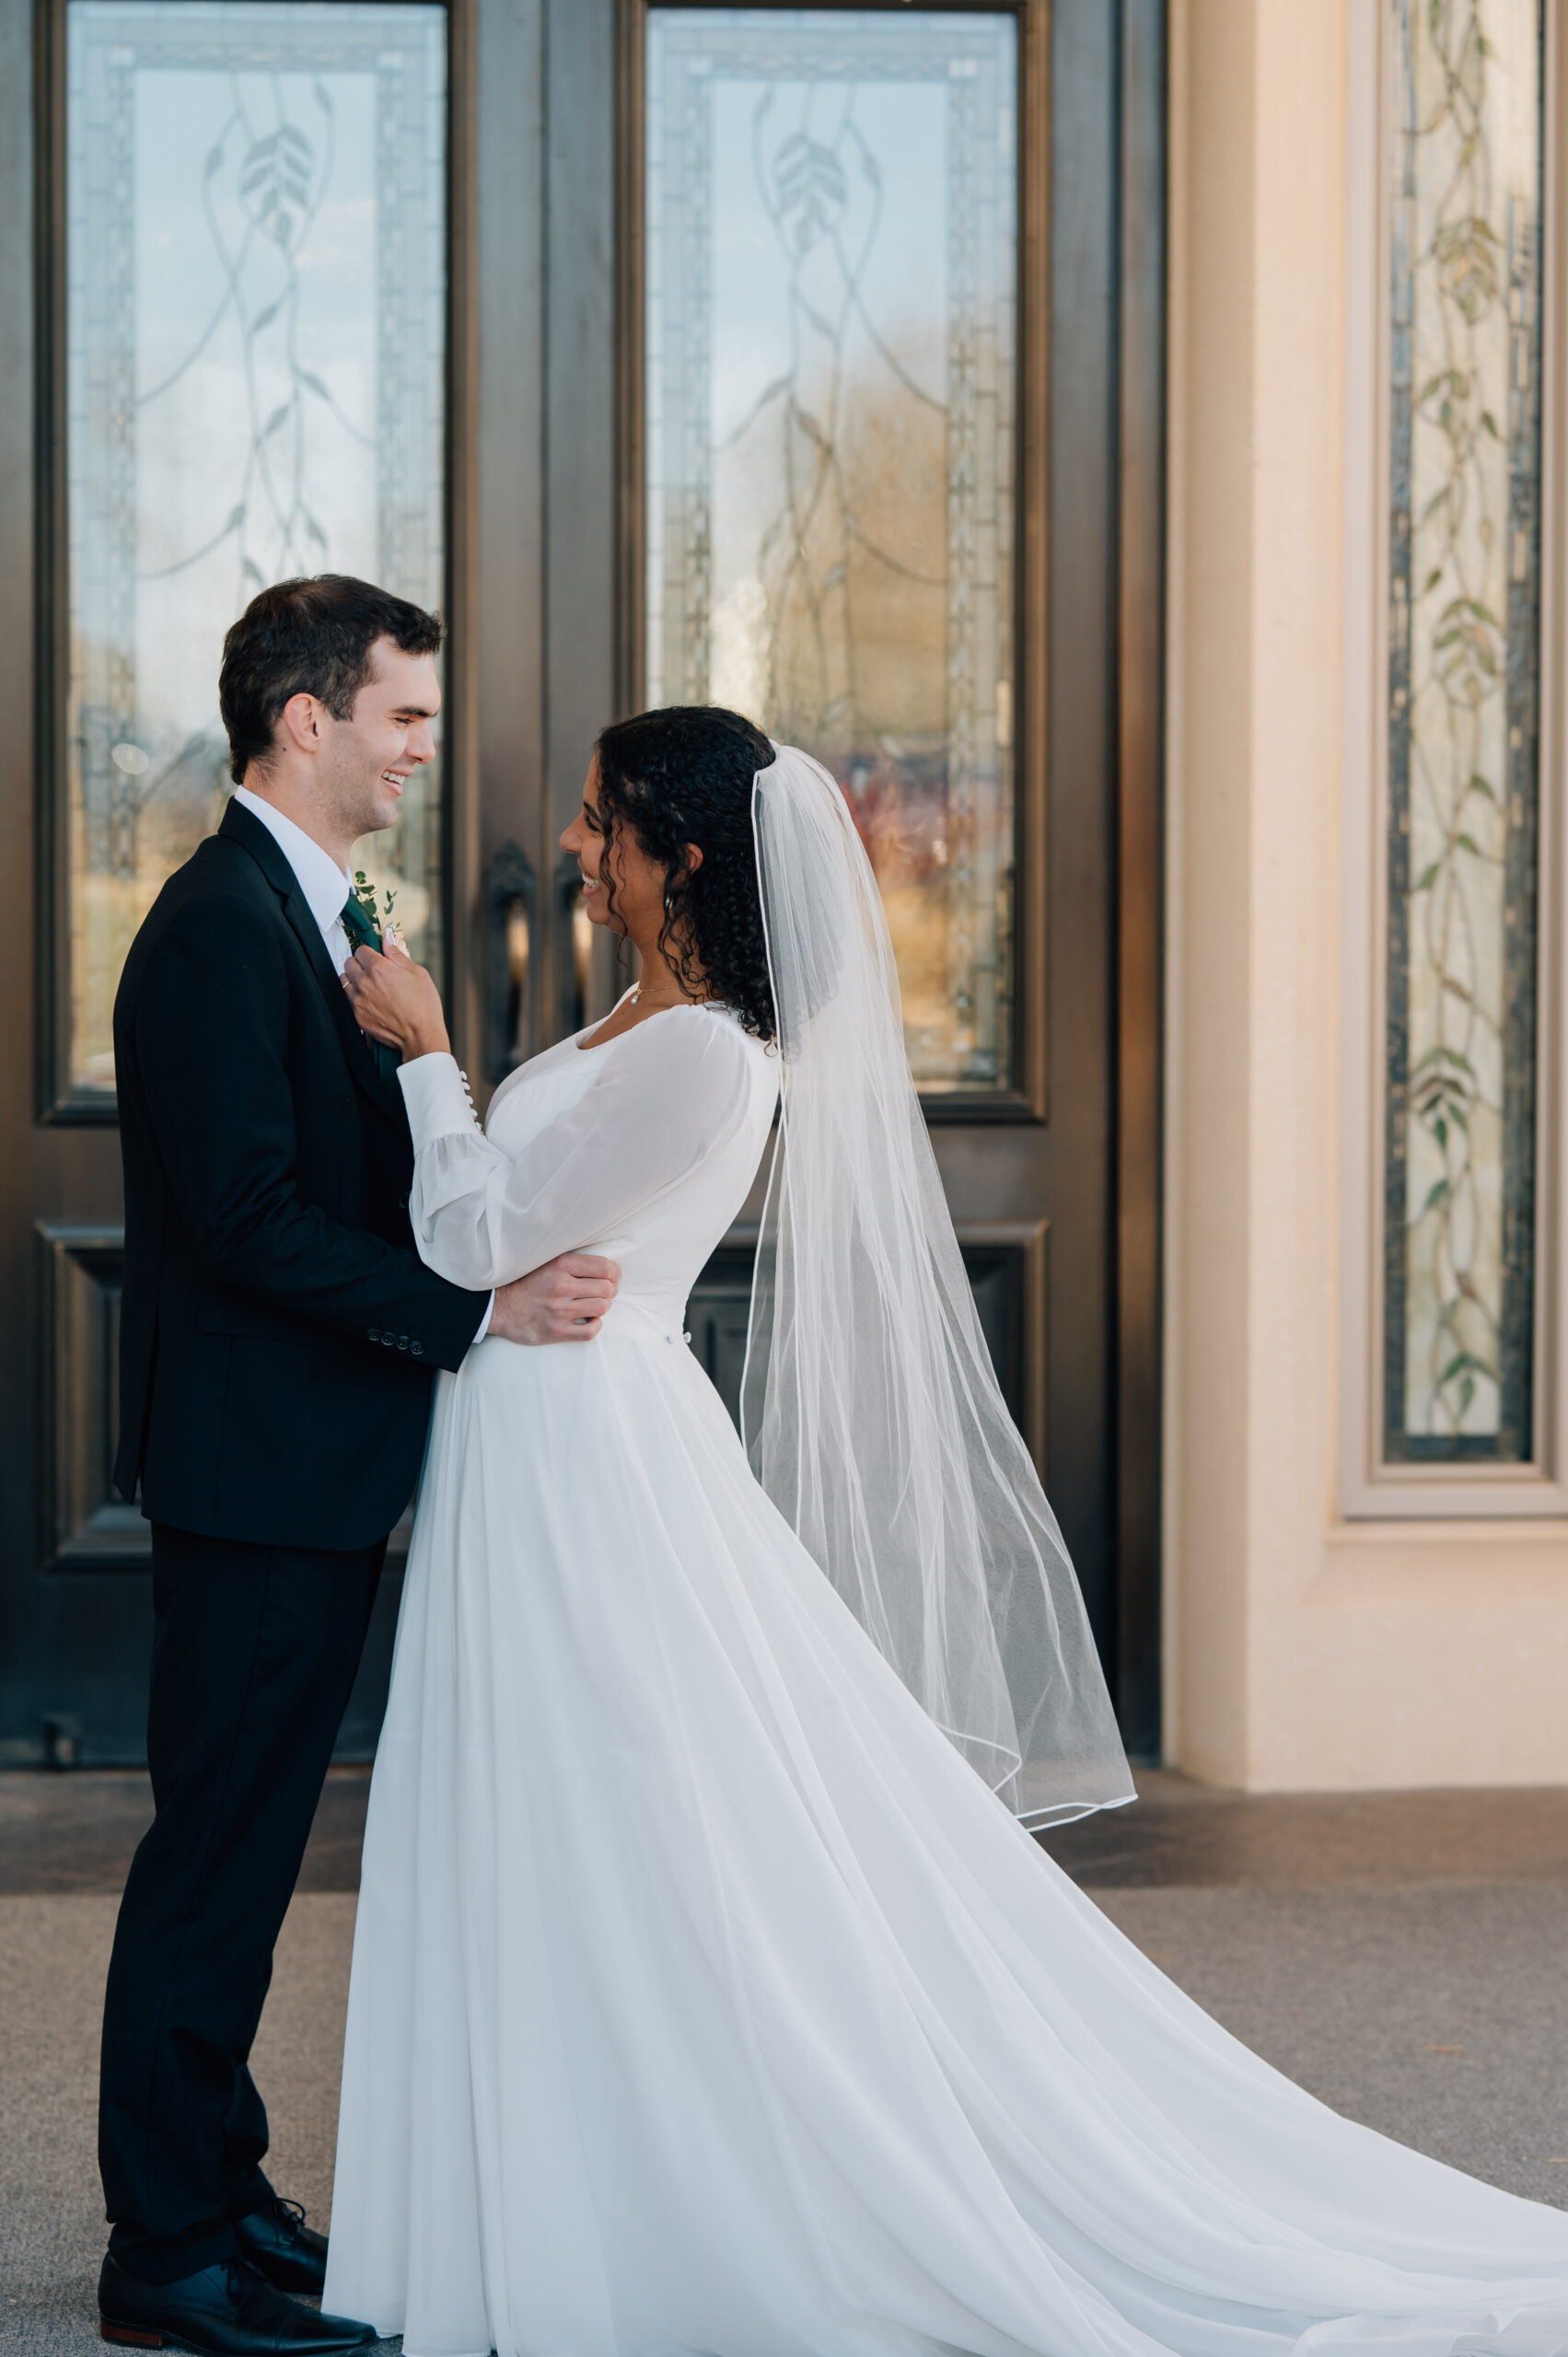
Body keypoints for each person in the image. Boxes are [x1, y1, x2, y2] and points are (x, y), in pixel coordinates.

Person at [325, 702, 1568, 2357]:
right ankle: (531, 2195)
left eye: (598, 824)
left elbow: (478, 1228)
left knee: (622, 1818)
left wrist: (423, 1052)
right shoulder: (640, 1015)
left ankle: (641, 2206)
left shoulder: (706, 1056)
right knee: (539, 1810)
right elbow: (505, 1236)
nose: (572, 846)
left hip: (589, 1461)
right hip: (529, 1440)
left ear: (678, 859)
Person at [98, 575, 619, 2357]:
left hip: (306, 1464)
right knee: (213, 1861)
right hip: (253, 1468)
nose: (422, 750)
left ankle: (219, 2186)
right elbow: (246, 1220)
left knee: (241, 1857)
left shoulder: (316, 912)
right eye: (401, 717)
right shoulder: (215, 932)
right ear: (303, 721)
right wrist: (467, 1318)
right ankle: (165, 2253)